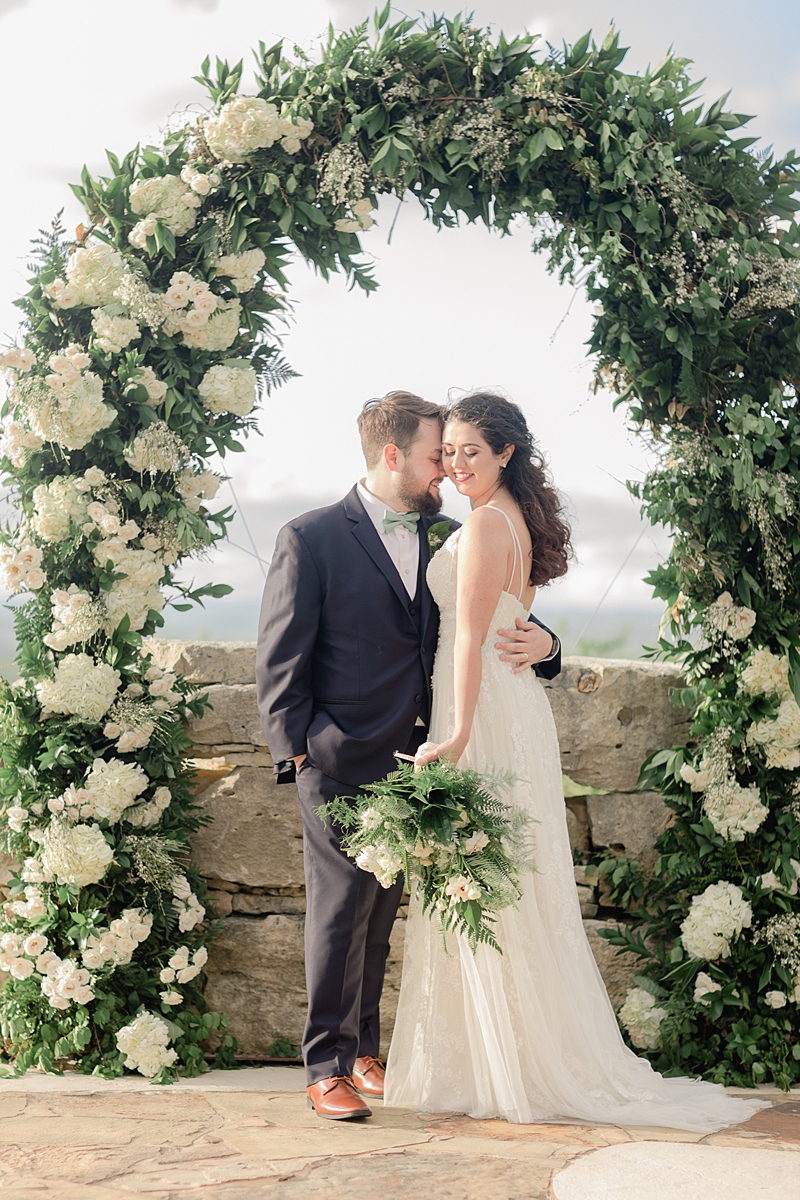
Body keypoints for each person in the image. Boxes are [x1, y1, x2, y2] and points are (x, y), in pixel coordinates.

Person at [384, 391, 765, 1132]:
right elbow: (507, 623)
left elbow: (467, 639)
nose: (457, 463)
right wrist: (542, 654)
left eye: (471, 451)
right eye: (449, 451)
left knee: (488, 883)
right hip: (510, 703)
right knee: (506, 885)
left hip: (487, 711)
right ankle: (498, 1056)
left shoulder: (490, 524)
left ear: (505, 454)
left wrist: (457, 734)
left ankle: (504, 1066)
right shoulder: (506, 517)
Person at [256, 391, 562, 1121]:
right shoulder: (311, 536)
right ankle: (325, 1065)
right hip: (334, 756)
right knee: (337, 915)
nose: (445, 471)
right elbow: (279, 658)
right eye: (435, 456)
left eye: (456, 455)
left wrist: (550, 648)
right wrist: (294, 754)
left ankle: (363, 1052)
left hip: (415, 759)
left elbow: (492, 618)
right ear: (392, 456)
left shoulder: (449, 531)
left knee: (382, 916)